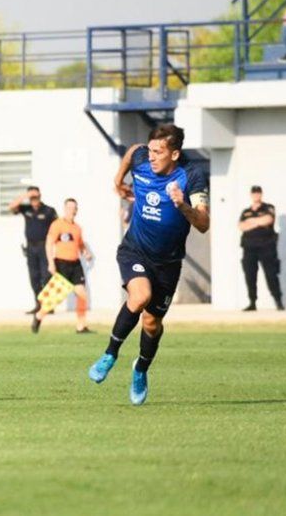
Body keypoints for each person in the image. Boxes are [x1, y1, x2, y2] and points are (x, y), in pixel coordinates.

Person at [86, 124, 209, 406]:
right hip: (135, 250)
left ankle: (140, 369)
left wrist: (183, 206)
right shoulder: (142, 158)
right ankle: (110, 354)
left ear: (175, 153)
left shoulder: (190, 177)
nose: (151, 156)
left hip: (168, 263)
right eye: (151, 150)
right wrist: (118, 180)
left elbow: (203, 224)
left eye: (159, 152)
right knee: (140, 296)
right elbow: (132, 152)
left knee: (152, 324)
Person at [32, 198, 93, 334]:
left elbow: (80, 244)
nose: (73, 210)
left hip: (76, 264)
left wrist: (86, 253)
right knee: (54, 298)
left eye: (74, 208)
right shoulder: (57, 224)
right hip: (61, 263)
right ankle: (39, 316)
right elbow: (49, 244)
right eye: (70, 207)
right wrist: (51, 263)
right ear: (65, 209)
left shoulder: (77, 228)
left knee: (82, 294)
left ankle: (81, 326)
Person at [9, 186, 58, 313]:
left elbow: (57, 227)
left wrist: (55, 246)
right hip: (31, 247)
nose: (34, 200)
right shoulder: (26, 209)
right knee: (34, 277)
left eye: (36, 197)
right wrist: (25, 196)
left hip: (44, 247)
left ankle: (48, 305)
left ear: (40, 196)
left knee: (46, 276)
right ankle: (39, 304)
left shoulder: (48, 210)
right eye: (32, 197)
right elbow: (11, 207)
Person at [239, 186, 283, 312]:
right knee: (250, 276)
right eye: (254, 193)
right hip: (249, 247)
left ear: (261, 194)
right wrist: (258, 221)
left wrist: (252, 222)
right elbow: (241, 226)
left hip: (266, 247)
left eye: (258, 192)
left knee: (271, 275)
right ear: (251, 195)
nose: (256, 195)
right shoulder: (245, 211)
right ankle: (252, 302)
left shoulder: (268, 208)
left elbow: (268, 220)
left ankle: (278, 301)